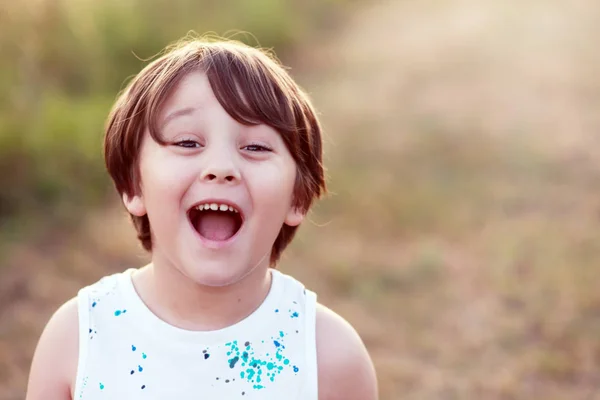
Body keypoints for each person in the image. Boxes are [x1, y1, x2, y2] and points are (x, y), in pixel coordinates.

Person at [25, 37, 378, 400]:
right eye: (187, 143)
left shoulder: (329, 357)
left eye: (255, 147)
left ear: (298, 196)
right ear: (134, 185)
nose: (221, 168)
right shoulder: (78, 338)